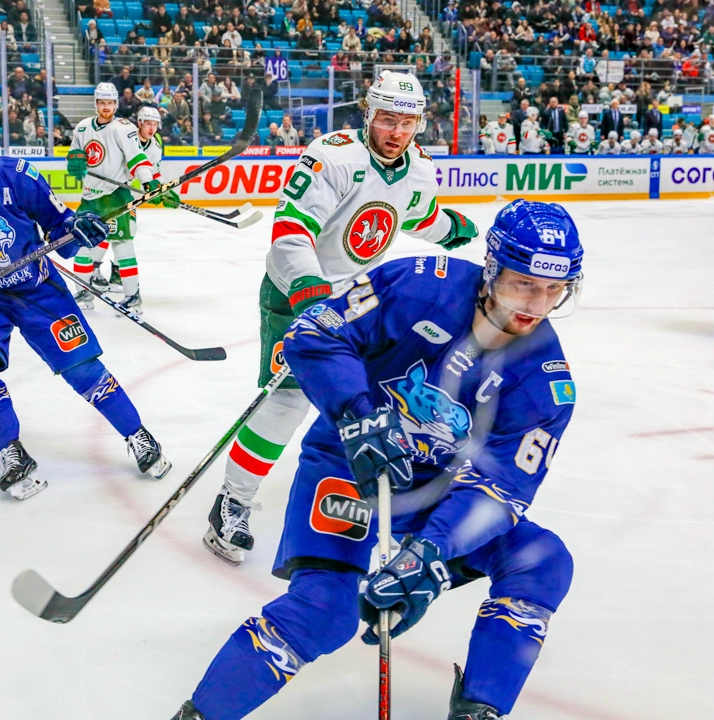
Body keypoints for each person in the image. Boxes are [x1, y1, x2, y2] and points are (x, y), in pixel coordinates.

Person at [174, 199, 583, 720]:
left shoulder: (545, 383)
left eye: (553, 290)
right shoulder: (419, 284)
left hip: (436, 495)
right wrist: (358, 414)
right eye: (522, 282)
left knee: (542, 561)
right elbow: (315, 333)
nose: (536, 304)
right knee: (326, 611)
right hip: (347, 467)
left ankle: (480, 710)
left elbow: (498, 491)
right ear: (492, 267)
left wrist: (431, 555)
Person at [201, 71, 478, 566]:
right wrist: (311, 291)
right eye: (388, 119)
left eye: (407, 122)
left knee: (369, 403)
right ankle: (232, 501)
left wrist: (447, 228)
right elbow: (290, 231)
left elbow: (411, 214)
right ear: (369, 114)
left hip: (361, 304)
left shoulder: (418, 170)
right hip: (297, 293)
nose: (397, 132)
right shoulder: (331, 155)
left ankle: (359, 499)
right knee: (284, 403)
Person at [0, 101, 171, 499]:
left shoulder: (19, 176)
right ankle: (12, 453)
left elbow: (62, 228)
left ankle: (138, 434)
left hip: (39, 291)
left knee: (82, 370)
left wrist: (80, 230)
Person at [63, 83, 171, 309]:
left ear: (115, 104)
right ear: (95, 103)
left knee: (122, 245)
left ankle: (132, 296)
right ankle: (83, 293)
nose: (106, 107)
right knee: (83, 247)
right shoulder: (82, 128)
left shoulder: (124, 127)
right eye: (102, 102)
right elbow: (75, 154)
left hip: (116, 194)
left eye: (110, 103)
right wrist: (74, 162)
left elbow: (136, 159)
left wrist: (148, 180)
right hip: (90, 197)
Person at [90, 106, 180, 309]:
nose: (151, 128)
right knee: (105, 232)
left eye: (155, 124)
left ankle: (115, 273)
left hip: (123, 194)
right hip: (105, 191)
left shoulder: (155, 145)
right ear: (139, 123)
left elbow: (153, 172)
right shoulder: (125, 136)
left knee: (126, 232)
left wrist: (164, 190)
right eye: (147, 123)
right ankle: (94, 269)